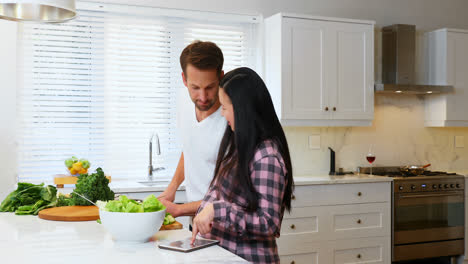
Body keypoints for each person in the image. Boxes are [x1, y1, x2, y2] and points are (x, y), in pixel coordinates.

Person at [191, 67, 294, 264]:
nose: (222, 114)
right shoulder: (239, 146)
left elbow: (268, 224)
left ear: (242, 109)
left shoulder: (267, 157)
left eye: (225, 107)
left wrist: (217, 210)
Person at [158, 41, 227, 219]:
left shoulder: (231, 120)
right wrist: (171, 188)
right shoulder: (184, 103)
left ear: (221, 77)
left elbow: (231, 195)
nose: (203, 97)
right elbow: (190, 148)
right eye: (195, 88)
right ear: (184, 79)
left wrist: (180, 209)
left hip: (224, 224)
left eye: (210, 87)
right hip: (195, 220)